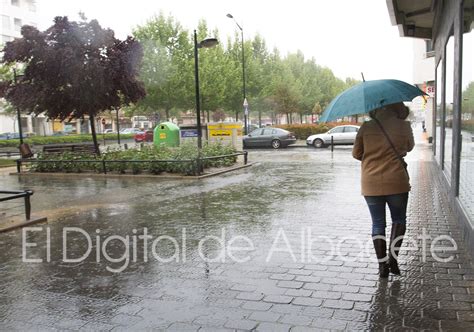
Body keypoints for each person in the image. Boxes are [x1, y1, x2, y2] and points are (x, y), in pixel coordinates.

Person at [352, 102, 414, 278]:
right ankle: (393, 260)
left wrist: (373, 153)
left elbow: (356, 153)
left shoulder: (366, 126)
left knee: (378, 223)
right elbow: (409, 147)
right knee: (399, 220)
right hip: (397, 182)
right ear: (398, 107)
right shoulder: (404, 125)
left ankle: (382, 267)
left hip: (371, 182)